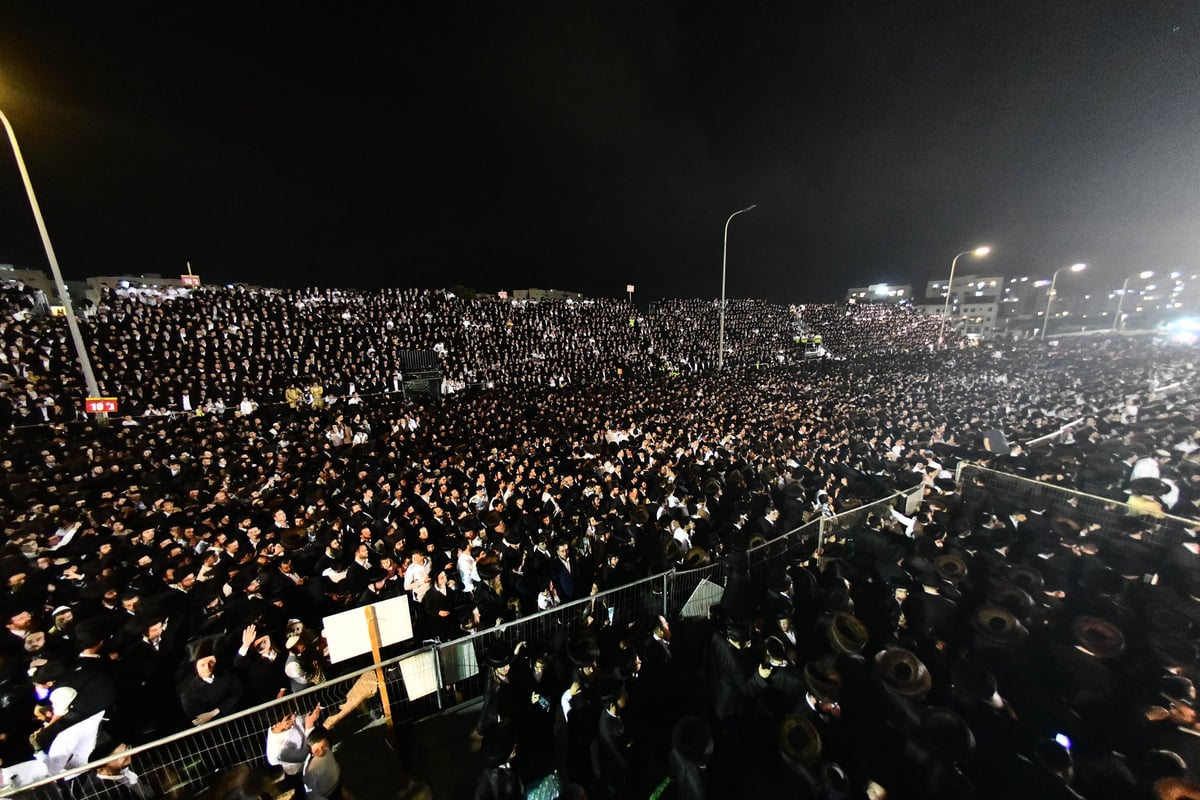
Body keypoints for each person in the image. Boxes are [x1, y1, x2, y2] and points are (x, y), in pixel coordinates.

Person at [265, 705, 321, 799]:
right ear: (277, 724)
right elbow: (303, 754)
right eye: (288, 718)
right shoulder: (277, 752)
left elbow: (302, 720)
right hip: (298, 772)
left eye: (292, 714)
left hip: (310, 763)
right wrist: (309, 727)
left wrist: (309, 718)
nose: (294, 718)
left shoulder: (290, 722)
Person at [304, 726, 341, 800]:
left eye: (324, 746)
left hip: (336, 783)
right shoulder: (311, 770)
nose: (322, 751)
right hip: (327, 794)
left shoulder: (327, 750)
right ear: (311, 753)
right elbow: (312, 794)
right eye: (317, 750)